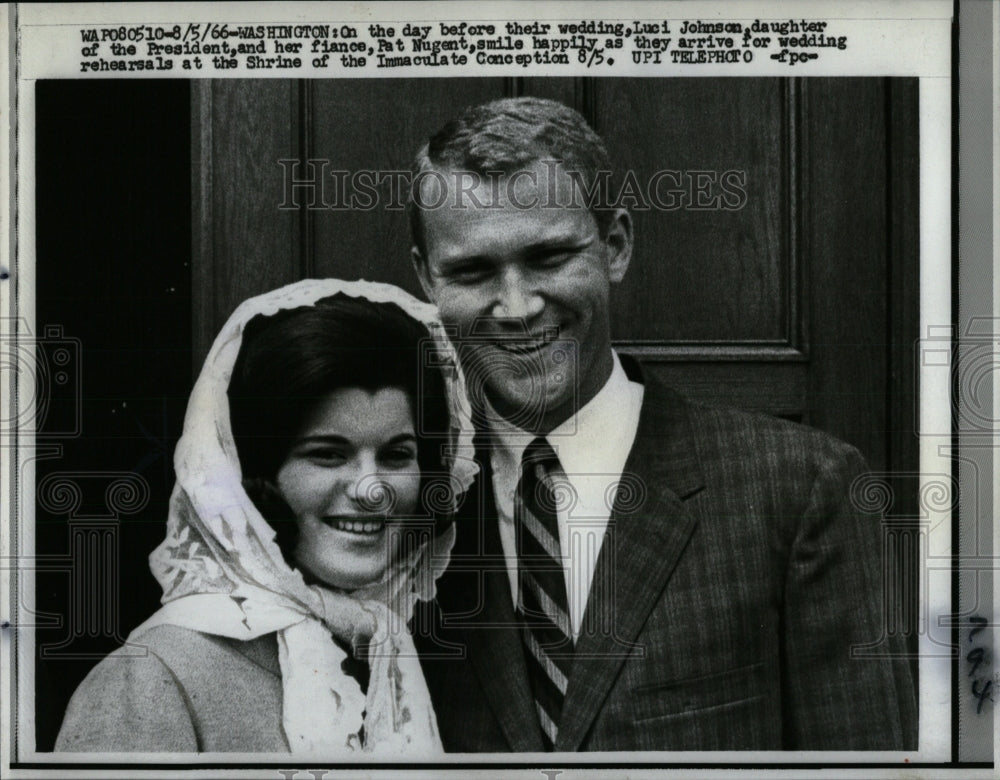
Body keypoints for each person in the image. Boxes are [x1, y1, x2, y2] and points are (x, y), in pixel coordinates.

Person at [407, 97, 918, 751]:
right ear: (427, 278)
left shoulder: (798, 489)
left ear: (615, 246)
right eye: (473, 271)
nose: (516, 306)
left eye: (549, 258)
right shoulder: (400, 509)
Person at [56, 279, 476, 755]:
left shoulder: (387, 653)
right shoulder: (154, 676)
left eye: (397, 455)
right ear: (252, 477)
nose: (372, 489)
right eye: (328, 455)